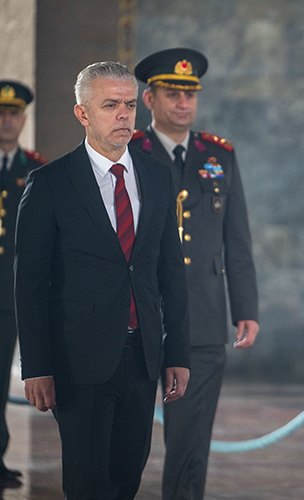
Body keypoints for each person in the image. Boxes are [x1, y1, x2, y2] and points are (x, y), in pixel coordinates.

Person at [14, 61, 190, 500]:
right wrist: (37, 367)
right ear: (83, 113)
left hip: (142, 358)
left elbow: (170, 270)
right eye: (110, 105)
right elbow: (30, 284)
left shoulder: (155, 175)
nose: (124, 115)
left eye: (130, 105)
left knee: (127, 476)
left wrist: (178, 352)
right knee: (88, 483)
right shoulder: (50, 183)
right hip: (79, 362)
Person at [130, 48, 259, 500]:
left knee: (190, 445)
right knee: (125, 442)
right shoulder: (129, 152)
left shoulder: (218, 155)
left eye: (190, 94)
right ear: (150, 99)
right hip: (137, 316)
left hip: (203, 320)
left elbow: (236, 238)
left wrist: (245, 307)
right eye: (172, 93)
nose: (183, 103)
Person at [0, 80, 45, 489]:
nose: (7, 120)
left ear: (24, 119)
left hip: (10, 293)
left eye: (14, 113)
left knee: (0, 373)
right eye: (1, 113)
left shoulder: (35, 168)